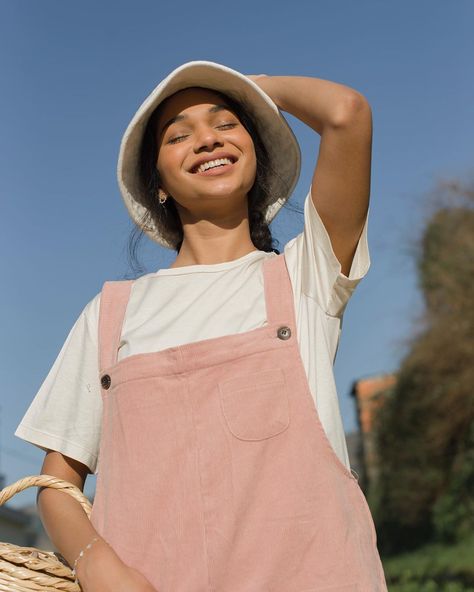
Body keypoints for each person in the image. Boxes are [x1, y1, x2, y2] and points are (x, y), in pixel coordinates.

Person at [15, 61, 387, 591]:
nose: (207, 140)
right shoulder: (112, 312)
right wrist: (95, 561)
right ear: (158, 183)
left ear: (256, 153)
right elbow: (57, 480)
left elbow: (347, 114)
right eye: (178, 136)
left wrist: (253, 90)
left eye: (227, 124)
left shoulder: (305, 278)